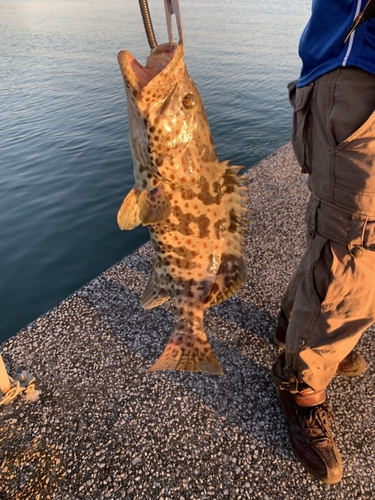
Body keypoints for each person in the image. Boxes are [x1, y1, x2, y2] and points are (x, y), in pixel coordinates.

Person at [271, 0, 375, 484]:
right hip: (358, 69)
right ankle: (302, 383)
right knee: (356, 242)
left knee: (341, 232)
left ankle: (294, 325)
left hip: (351, 69)